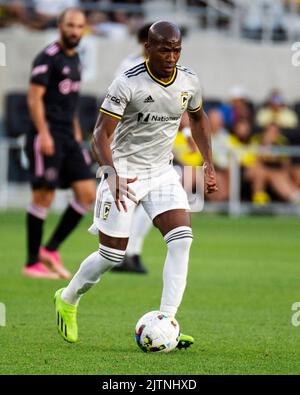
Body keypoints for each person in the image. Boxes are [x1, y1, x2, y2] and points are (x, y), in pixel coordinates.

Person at [54, 21, 218, 348]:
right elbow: (99, 135)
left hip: (161, 172)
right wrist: (111, 175)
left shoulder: (189, 80)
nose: (171, 56)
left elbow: (199, 118)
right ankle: (68, 297)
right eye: (164, 49)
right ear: (148, 48)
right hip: (123, 170)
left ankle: (167, 322)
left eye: (176, 50)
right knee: (112, 256)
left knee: (182, 240)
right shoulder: (127, 83)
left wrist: (208, 162)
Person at [24, 8, 96, 279]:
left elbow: (71, 102)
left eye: (79, 26)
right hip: (48, 133)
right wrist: (43, 133)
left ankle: (50, 249)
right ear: (60, 26)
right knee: (44, 195)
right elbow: (34, 98)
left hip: (69, 136)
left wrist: (77, 133)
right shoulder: (47, 58)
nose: (74, 31)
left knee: (88, 193)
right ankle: (31, 262)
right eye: (70, 25)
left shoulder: (77, 59)